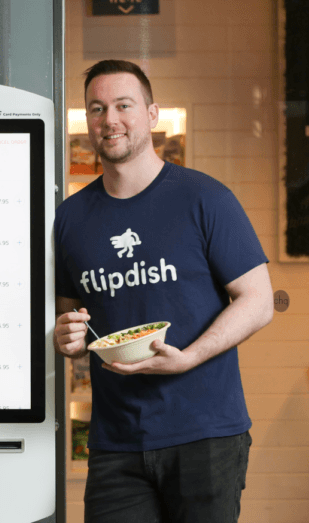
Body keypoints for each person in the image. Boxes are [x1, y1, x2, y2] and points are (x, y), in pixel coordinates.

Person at [54, 60, 274, 523]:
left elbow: (258, 301)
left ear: (151, 114)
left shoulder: (204, 198)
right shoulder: (70, 218)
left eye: (123, 105)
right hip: (116, 442)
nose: (109, 119)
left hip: (205, 434)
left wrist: (191, 356)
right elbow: (71, 318)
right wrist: (66, 337)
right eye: (97, 108)